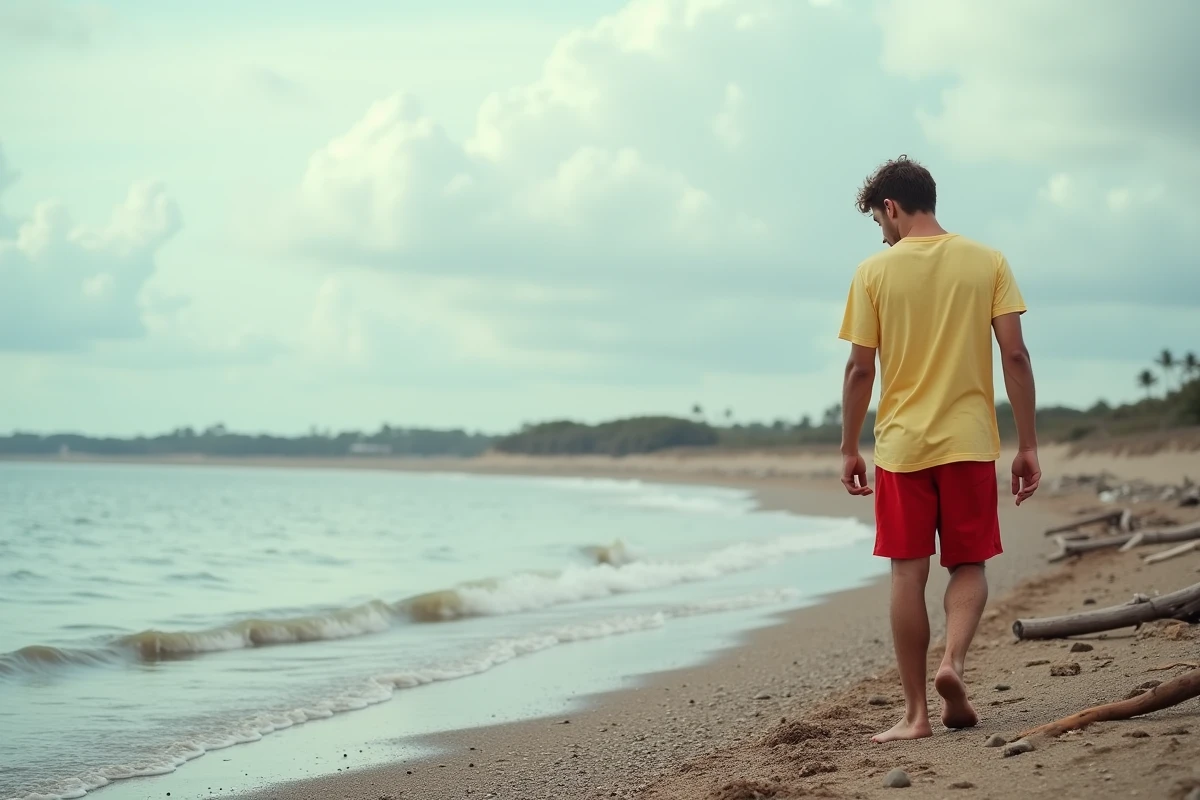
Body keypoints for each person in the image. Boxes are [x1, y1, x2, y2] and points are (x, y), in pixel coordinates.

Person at [836, 155, 1040, 744]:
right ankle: (954, 661)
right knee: (968, 563)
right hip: (971, 442)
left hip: (902, 448)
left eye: (880, 221)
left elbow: (858, 371)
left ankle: (916, 715)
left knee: (908, 570)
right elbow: (1016, 357)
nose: (882, 234)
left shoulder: (874, 272)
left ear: (892, 208)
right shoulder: (988, 261)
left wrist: (850, 447)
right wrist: (1027, 444)